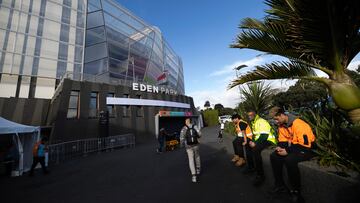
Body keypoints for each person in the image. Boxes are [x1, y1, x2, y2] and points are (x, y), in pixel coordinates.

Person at [268, 107, 316, 203]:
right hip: (294, 147)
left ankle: (296, 192)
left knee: (290, 160)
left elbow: (305, 145)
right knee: (274, 156)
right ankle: (280, 185)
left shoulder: (299, 124)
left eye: (276, 119)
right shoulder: (281, 126)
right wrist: (280, 148)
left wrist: (288, 151)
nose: (276, 122)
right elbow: (282, 141)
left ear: (282, 115)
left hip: (307, 149)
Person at [244, 110, 276, 186]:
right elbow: (256, 135)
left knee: (256, 150)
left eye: (250, 115)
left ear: (254, 115)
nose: (249, 117)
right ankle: (251, 167)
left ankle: (260, 175)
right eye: (248, 116)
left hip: (269, 140)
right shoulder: (254, 122)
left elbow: (264, 135)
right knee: (248, 146)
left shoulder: (261, 121)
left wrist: (255, 143)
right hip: (262, 140)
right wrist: (252, 141)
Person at [180, 117, 202, 183]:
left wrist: (181, 144)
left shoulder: (184, 128)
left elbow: (181, 138)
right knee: (197, 156)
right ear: (190, 121)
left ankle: (194, 176)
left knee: (191, 159)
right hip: (196, 145)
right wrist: (197, 137)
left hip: (188, 146)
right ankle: (198, 168)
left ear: (185, 121)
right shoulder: (195, 126)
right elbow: (200, 134)